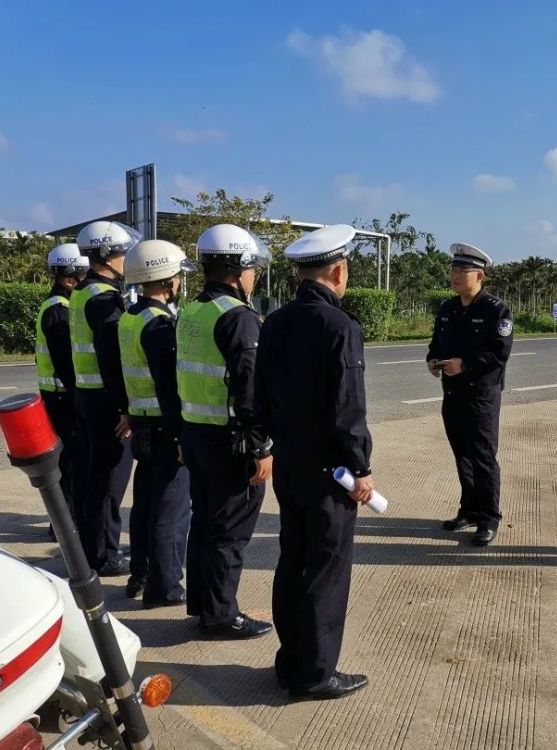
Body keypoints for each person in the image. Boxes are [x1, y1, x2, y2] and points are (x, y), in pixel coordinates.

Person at [254, 223, 372, 701]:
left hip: (291, 463)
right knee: (326, 569)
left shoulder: (276, 322)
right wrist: (360, 468)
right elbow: (348, 409)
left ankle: (291, 660)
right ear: (338, 271)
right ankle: (315, 673)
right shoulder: (340, 327)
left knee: (295, 559)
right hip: (331, 470)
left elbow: (258, 397)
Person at [177, 224, 273, 640]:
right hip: (230, 441)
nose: (253, 276)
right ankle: (220, 616)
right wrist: (262, 445)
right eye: (251, 267)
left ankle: (201, 602)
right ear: (237, 270)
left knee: (204, 523)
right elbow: (249, 390)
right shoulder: (239, 318)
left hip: (196, 434)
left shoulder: (191, 312)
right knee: (230, 532)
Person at [118, 239, 195, 606]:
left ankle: (141, 575)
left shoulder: (129, 317)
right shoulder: (160, 324)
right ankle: (165, 586)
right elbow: (168, 385)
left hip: (142, 423)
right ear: (167, 280)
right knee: (171, 508)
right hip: (165, 428)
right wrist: (181, 434)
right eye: (178, 275)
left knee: (145, 504)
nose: (180, 280)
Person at [427, 243, 513, 546]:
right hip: (452, 395)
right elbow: (437, 342)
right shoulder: (447, 308)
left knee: (483, 457)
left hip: (481, 397)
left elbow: (499, 353)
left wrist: (464, 364)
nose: (455, 276)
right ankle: (469, 509)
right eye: (453, 271)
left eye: (462, 271)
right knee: (462, 455)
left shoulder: (496, 310)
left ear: (480, 276)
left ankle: (489, 517)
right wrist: (432, 360)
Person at [70, 221, 140, 576]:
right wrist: (126, 407)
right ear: (105, 255)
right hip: (106, 402)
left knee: (93, 478)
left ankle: (90, 551)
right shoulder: (103, 299)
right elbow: (113, 359)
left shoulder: (83, 291)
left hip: (88, 396)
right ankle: (103, 557)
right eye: (122, 252)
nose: (127, 259)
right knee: (108, 484)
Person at [36, 243, 89, 535]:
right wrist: (79, 393)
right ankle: (63, 525)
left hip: (56, 395)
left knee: (68, 461)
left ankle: (62, 523)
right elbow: (65, 361)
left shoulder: (58, 305)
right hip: (62, 397)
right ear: (70, 277)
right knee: (69, 463)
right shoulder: (60, 310)